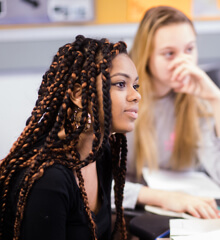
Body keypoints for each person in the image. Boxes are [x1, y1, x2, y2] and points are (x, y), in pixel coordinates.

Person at [0, 35, 141, 240]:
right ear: (78, 95)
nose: (136, 95)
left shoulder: (100, 152)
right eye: (120, 84)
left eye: (135, 86)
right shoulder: (50, 181)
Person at [119, 6, 220, 219]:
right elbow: (93, 190)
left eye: (189, 50)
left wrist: (216, 100)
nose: (183, 63)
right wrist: (162, 197)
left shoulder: (197, 99)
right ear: (147, 56)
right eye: (169, 54)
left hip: (186, 210)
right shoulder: (123, 100)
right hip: (134, 212)